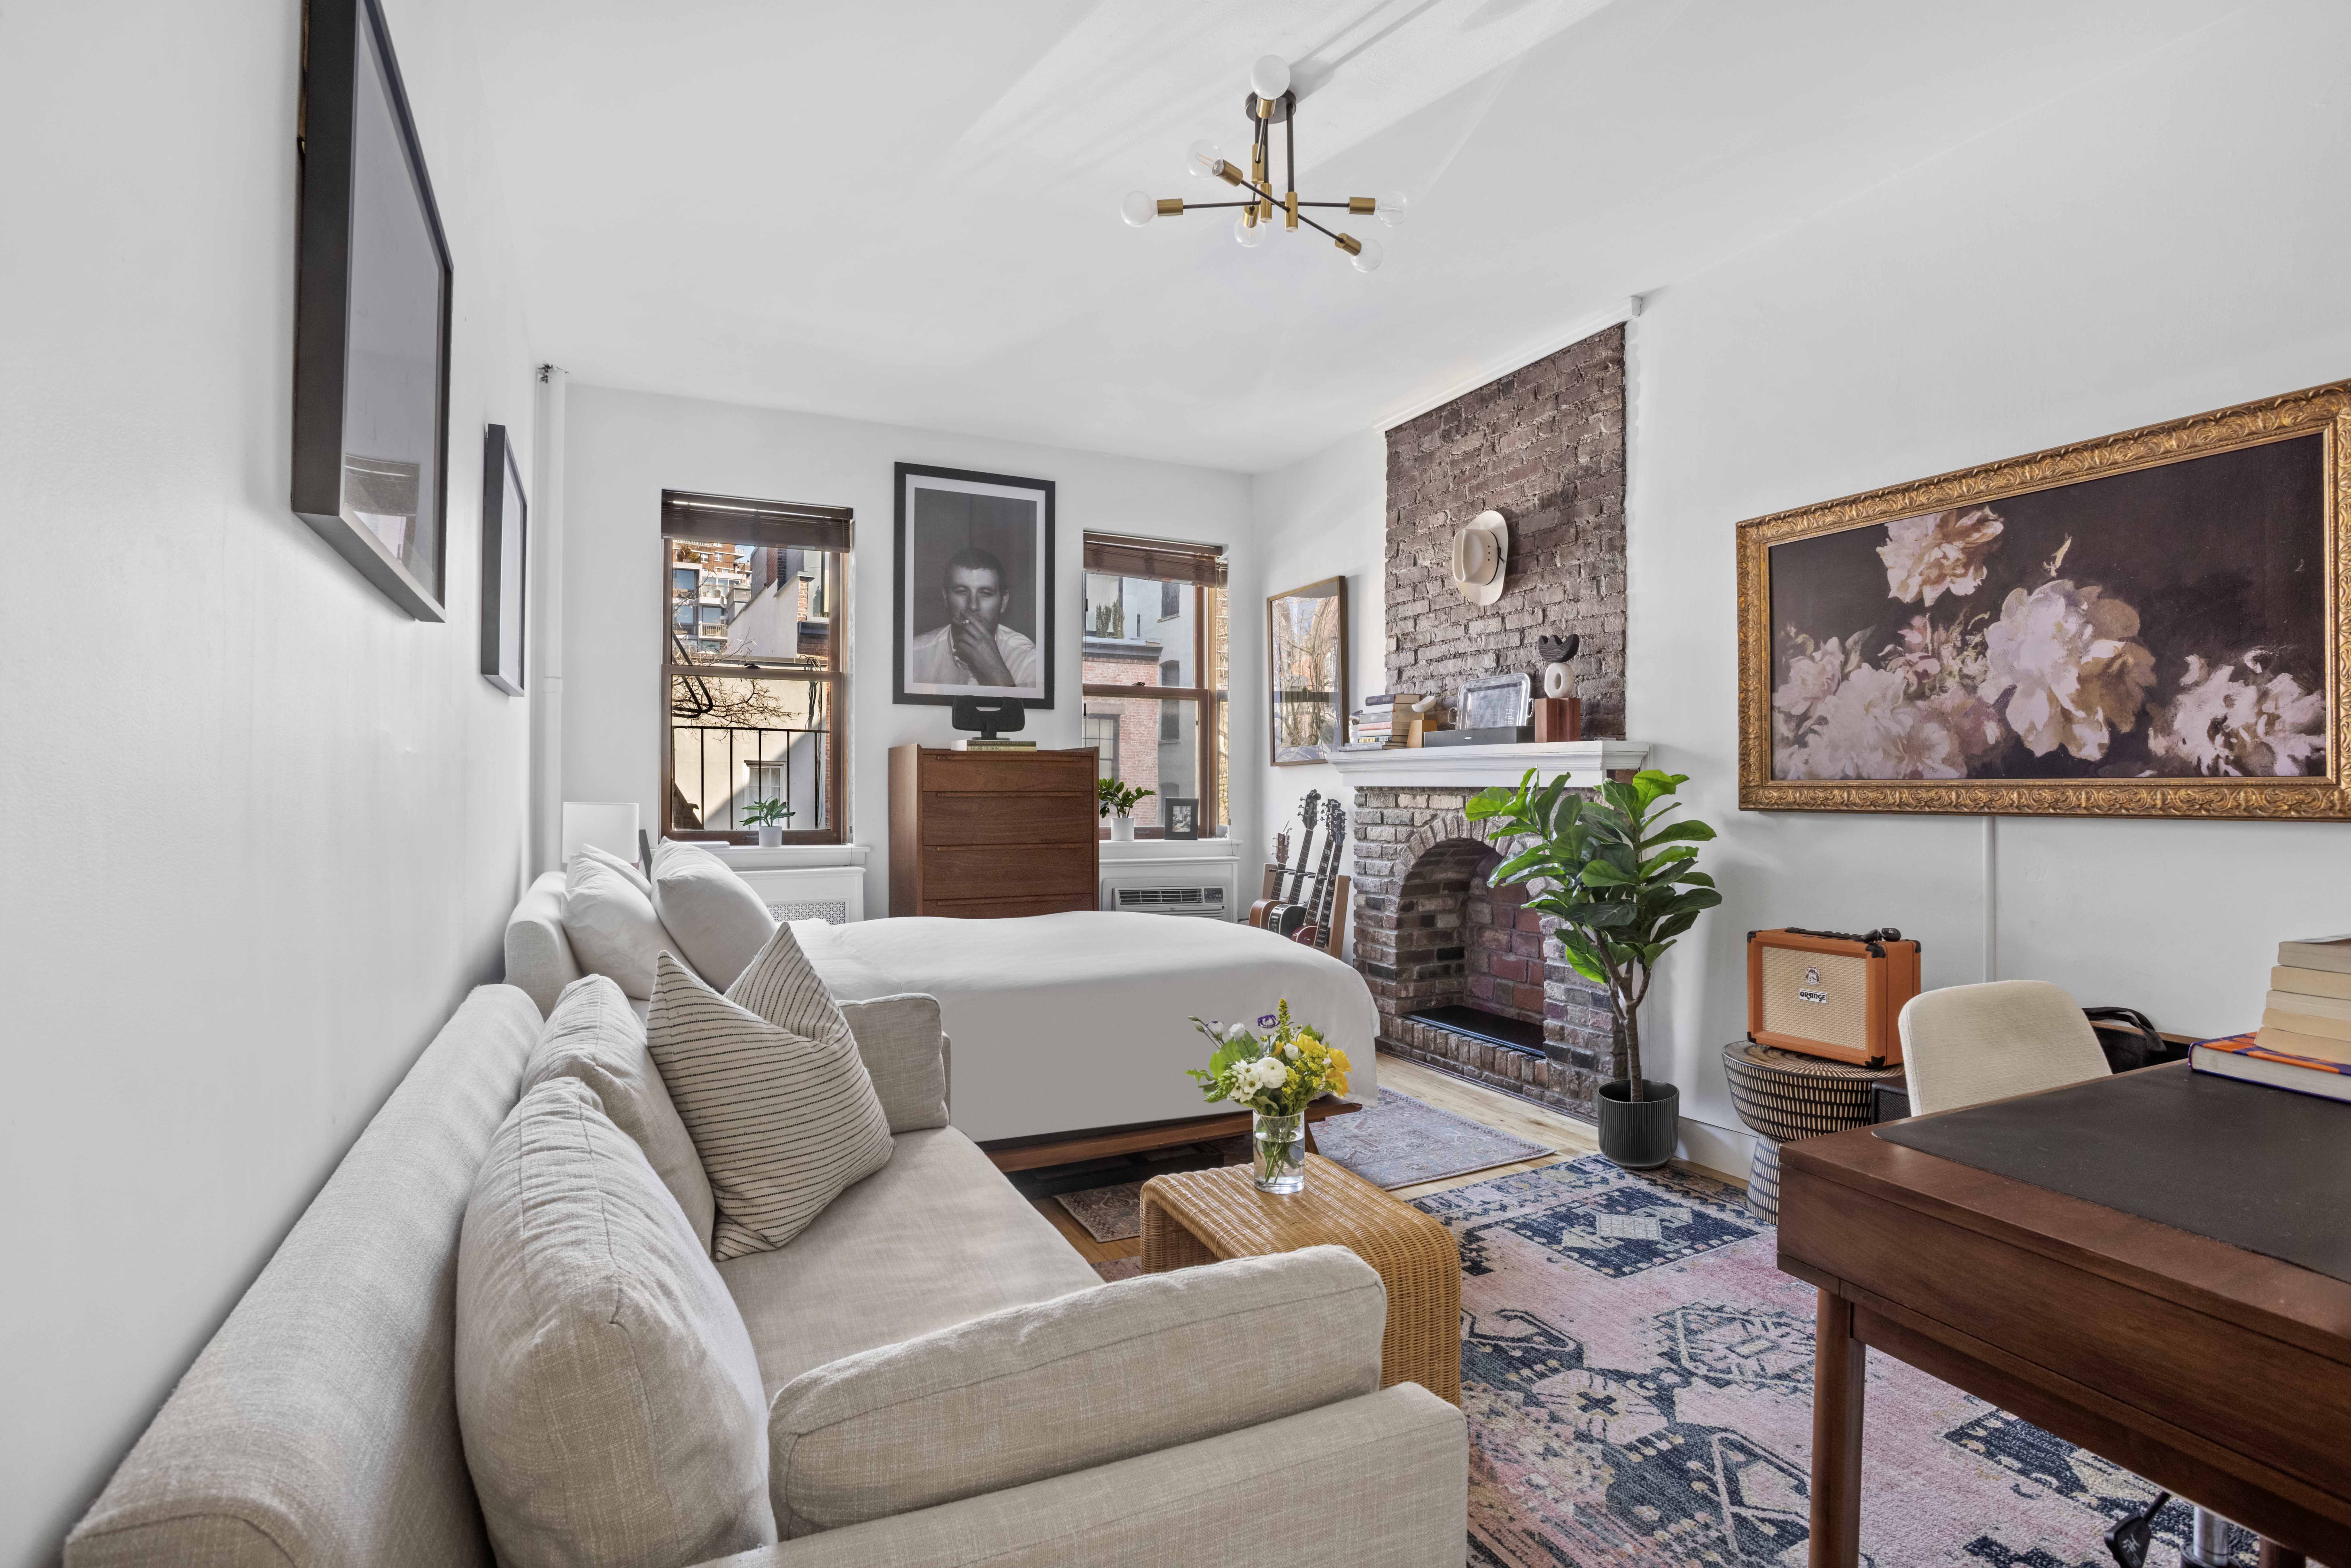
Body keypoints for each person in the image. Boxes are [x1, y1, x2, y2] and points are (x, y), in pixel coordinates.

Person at [907, 547, 1039, 689]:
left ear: (1004, 602)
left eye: (986, 593)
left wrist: (994, 670)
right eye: (962, 592)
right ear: (946, 598)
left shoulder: (1029, 660)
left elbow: (1023, 713)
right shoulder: (914, 656)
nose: (973, 606)